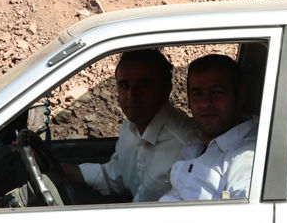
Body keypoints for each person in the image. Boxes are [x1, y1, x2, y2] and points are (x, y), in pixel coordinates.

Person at [64, 49, 198, 202]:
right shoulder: (129, 129)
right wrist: (56, 170)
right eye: (124, 85)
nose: (132, 94)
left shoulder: (188, 145)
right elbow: (112, 177)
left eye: (144, 84)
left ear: (166, 89)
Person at [160, 54, 259, 201]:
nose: (205, 103)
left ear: (240, 95)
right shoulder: (196, 143)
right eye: (198, 94)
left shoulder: (246, 156)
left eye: (216, 93)